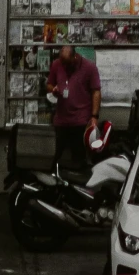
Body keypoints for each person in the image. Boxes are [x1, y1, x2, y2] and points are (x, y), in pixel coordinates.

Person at [46, 41, 102, 177]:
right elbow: (49, 84)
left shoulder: (89, 68)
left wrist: (94, 116)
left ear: (75, 57)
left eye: (67, 63)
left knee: (78, 159)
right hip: (61, 120)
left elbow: (96, 92)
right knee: (55, 156)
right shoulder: (57, 65)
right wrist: (53, 89)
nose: (64, 66)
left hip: (80, 121)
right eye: (62, 63)